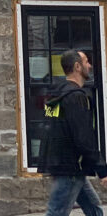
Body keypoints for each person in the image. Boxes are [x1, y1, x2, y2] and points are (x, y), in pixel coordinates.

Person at [38, 49, 107, 216]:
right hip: (71, 167)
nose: (89, 66)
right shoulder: (76, 97)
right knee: (56, 212)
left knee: (94, 209)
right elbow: (83, 137)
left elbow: (51, 130)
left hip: (63, 164)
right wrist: (102, 171)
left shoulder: (57, 95)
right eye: (86, 62)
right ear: (77, 66)